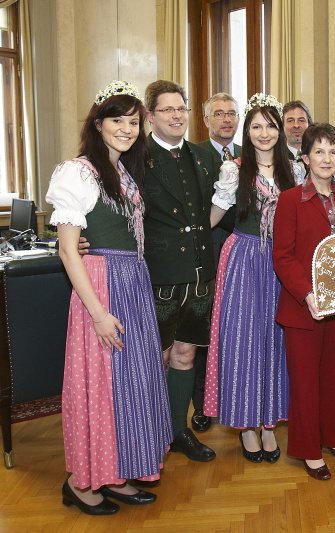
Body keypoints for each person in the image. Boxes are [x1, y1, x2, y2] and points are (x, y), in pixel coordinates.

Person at [47, 80, 171, 515]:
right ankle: (81, 483)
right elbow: (68, 248)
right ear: (98, 124)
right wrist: (98, 313)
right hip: (100, 287)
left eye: (133, 121)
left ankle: (115, 472)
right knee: (102, 384)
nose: (126, 128)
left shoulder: (122, 172)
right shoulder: (78, 172)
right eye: (117, 120)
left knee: (130, 382)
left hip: (131, 282)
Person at [203, 94, 299, 464]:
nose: (264, 133)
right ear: (248, 130)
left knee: (276, 340)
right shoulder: (234, 170)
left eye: (270, 126)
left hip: (281, 265)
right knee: (243, 341)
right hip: (243, 260)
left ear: (279, 130)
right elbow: (212, 217)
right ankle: (245, 425)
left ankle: (270, 424)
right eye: (256, 126)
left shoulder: (296, 170)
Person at [272, 123, 335, 481]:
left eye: (334, 151)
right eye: (319, 151)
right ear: (306, 157)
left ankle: (333, 439)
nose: (327, 158)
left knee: (334, 376)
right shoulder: (290, 199)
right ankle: (309, 450)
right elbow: (283, 257)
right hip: (302, 306)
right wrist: (308, 294)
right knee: (306, 381)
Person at [143, 80, 220, 463]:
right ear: (150, 116)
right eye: (168, 110)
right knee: (156, 356)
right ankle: (149, 435)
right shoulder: (135, 158)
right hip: (158, 276)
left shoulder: (206, 158)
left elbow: (217, 210)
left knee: (186, 355)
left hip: (200, 275)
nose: (177, 116)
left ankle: (178, 430)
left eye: (181, 109)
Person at [191, 92, 242, 434]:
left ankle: (232, 398)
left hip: (245, 257)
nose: (227, 119)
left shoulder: (250, 155)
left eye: (232, 114)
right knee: (203, 331)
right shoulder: (194, 155)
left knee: (236, 331)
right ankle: (202, 405)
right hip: (207, 254)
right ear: (207, 121)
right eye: (219, 114)